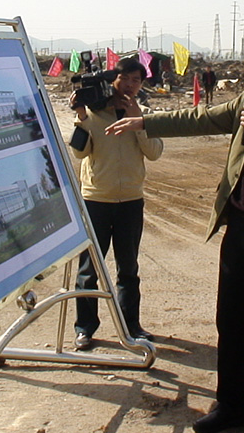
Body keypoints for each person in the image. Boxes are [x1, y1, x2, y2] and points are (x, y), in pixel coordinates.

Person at [106, 26, 244, 433]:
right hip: (240, 229)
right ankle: (231, 406)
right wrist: (143, 122)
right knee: (230, 322)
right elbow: (197, 118)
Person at [70, 57, 164, 350]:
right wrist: (82, 117)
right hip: (96, 199)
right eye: (125, 79)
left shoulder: (144, 114)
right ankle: (85, 328)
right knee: (89, 270)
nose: (130, 85)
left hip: (130, 202)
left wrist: (138, 121)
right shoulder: (95, 115)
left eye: (137, 80)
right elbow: (79, 153)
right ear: (113, 80)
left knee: (128, 269)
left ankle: (130, 327)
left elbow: (155, 152)